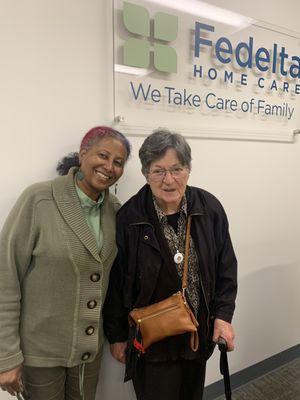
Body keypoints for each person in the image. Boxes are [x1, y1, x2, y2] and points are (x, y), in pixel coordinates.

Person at [103, 129, 237, 400]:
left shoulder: (209, 208)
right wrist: (117, 336)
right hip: (152, 343)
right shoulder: (130, 217)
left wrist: (223, 316)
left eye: (177, 169)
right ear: (145, 173)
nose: (168, 180)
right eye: (158, 171)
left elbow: (226, 268)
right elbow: (117, 281)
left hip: (197, 336)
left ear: (188, 169)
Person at [0, 126, 131, 400]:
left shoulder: (115, 211)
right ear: (83, 154)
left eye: (118, 162)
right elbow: (5, 277)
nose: (109, 166)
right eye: (103, 155)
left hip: (88, 355)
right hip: (41, 356)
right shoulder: (39, 200)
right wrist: (6, 354)